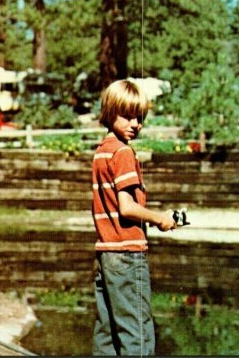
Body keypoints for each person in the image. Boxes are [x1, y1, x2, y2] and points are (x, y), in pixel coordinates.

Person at [91, 79, 177, 356]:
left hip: (106, 254)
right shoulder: (123, 152)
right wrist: (160, 218)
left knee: (107, 331)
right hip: (128, 254)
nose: (135, 124)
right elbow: (126, 208)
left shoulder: (101, 151)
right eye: (127, 116)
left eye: (139, 118)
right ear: (110, 113)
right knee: (137, 333)